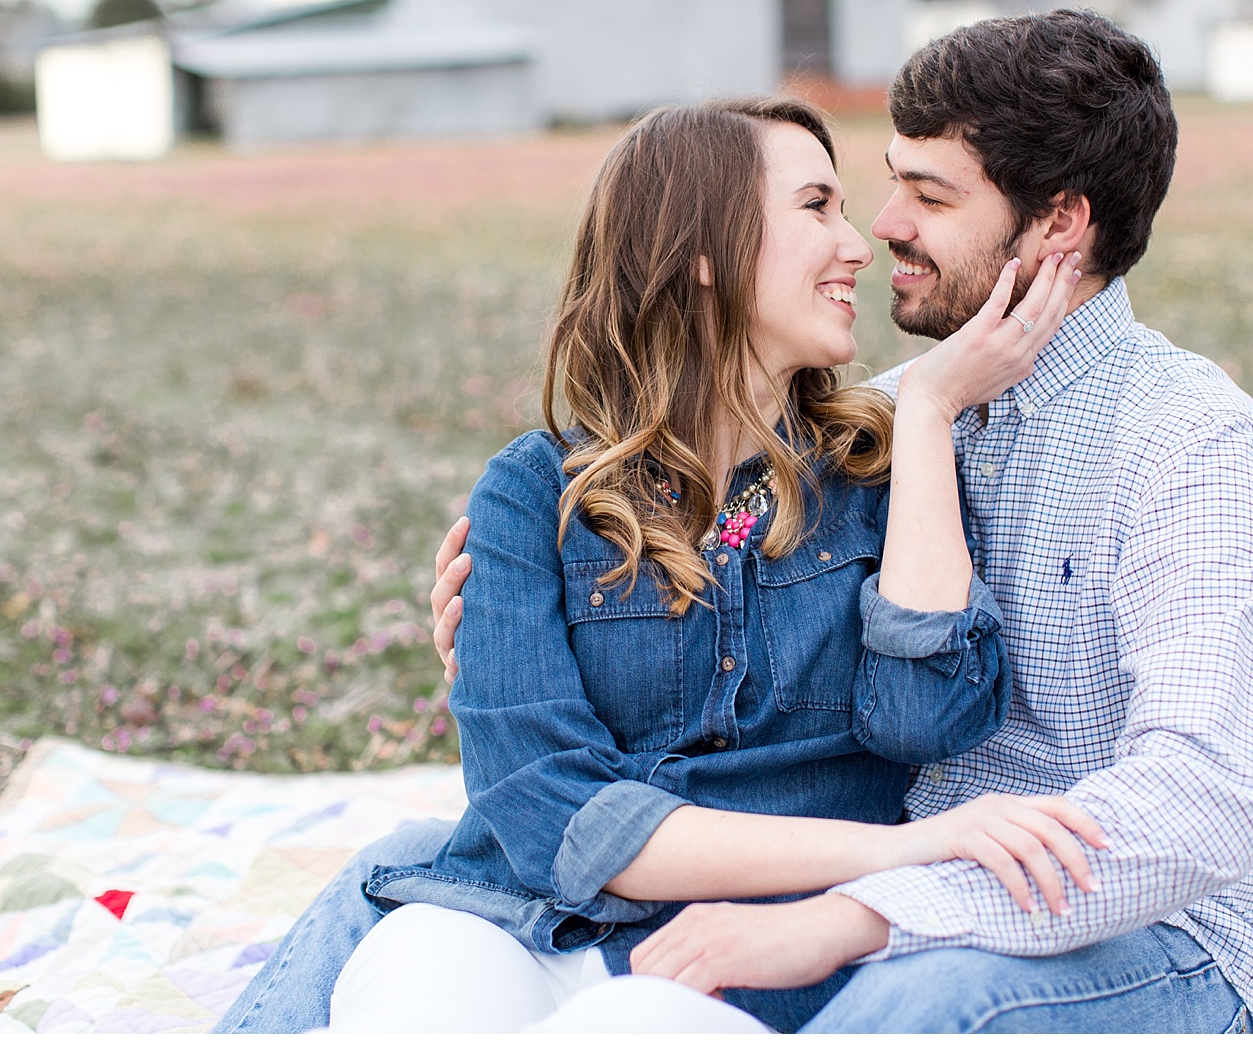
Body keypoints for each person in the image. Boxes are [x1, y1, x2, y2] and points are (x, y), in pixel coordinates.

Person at [429, 10, 1253, 1034]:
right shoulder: (881, 420)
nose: (881, 226)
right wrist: (514, 631)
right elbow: (705, 600)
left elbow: (1198, 806)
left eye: (928, 195)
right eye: (886, 183)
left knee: (905, 1007)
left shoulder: (1192, 443)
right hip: (885, 886)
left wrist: (865, 915)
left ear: (1060, 224)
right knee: (416, 911)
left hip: (1132, 934)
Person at [216, 96, 1105, 1035]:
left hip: (741, 966)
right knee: (420, 974)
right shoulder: (535, 492)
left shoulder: (880, 475)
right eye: (816, 207)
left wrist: (927, 413)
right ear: (703, 251)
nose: (857, 244)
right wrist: (912, 847)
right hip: (518, 924)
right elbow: (553, 811)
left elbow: (928, 716)